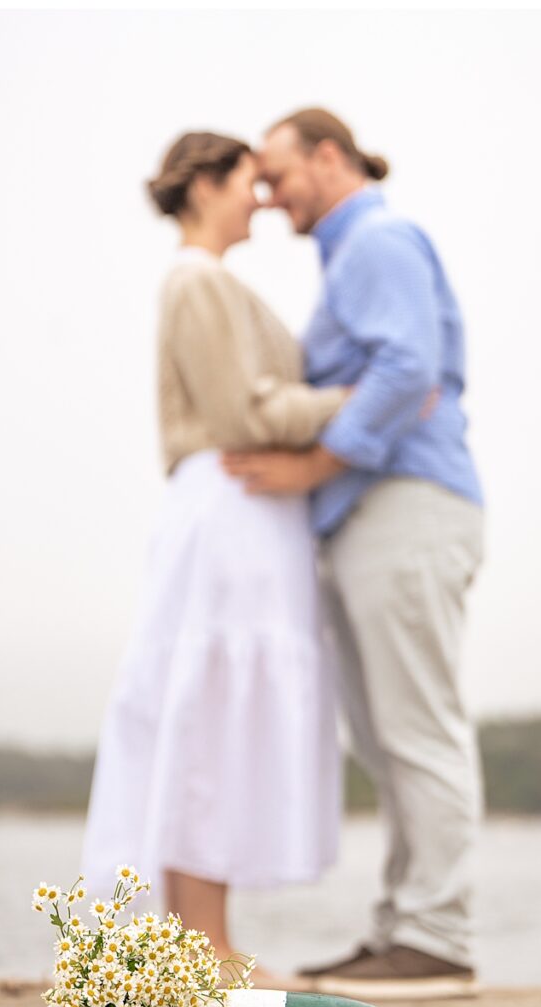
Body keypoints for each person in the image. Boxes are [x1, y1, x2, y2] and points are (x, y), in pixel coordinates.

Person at [222, 108, 487, 998]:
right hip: (376, 512)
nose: (266, 194)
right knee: (386, 732)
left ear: (327, 157)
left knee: (416, 724)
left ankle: (438, 931)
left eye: (276, 174)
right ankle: (406, 926)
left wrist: (311, 463)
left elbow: (409, 368)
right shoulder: (354, 254)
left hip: (403, 505)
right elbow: (401, 373)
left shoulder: (375, 239)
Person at [81, 131, 350, 963]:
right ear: (202, 186)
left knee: (228, 708)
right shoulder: (194, 280)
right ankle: (204, 938)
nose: (260, 200)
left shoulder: (214, 281)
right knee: (207, 704)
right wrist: (349, 403)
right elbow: (239, 409)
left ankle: (211, 934)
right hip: (230, 504)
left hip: (255, 511)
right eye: (246, 182)